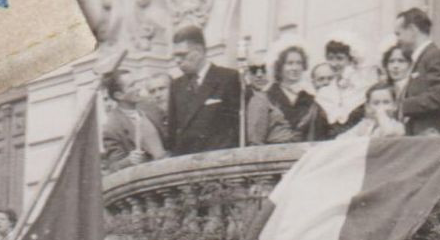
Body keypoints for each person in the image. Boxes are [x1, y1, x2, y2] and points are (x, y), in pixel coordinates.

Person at [165, 24, 243, 156]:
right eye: (175, 56)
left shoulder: (228, 78)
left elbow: (237, 128)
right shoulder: (176, 85)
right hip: (186, 164)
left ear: (200, 51)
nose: (178, 61)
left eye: (182, 55)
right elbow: (172, 131)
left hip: (218, 161)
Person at [392, 8, 440, 135]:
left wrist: (403, 106)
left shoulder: (433, 56)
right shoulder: (423, 58)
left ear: (412, 30)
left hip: (431, 138)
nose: (397, 40)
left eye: (398, 34)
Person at [246, 45, 319, 144]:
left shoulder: (311, 99)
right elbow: (255, 140)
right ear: (279, 66)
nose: (295, 68)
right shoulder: (263, 98)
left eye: (299, 63)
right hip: (273, 156)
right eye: (289, 63)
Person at [101, 67, 168, 172]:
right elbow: (113, 167)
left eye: (136, 83)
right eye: (132, 85)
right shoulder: (112, 128)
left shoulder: (150, 107)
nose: (138, 88)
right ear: (119, 95)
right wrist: (128, 161)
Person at [339, 82, 407, 140]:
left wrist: (381, 114)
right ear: (368, 107)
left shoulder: (398, 126)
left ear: (395, 105)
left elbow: (388, 133)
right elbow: (340, 139)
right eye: (376, 103)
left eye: (386, 102)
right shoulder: (364, 125)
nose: (381, 107)